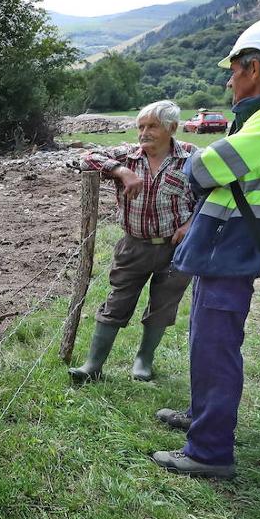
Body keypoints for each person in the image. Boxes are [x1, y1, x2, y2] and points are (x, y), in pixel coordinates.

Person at [152, 15, 260, 479]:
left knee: (217, 346)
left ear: (252, 66)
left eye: (233, 70)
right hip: (226, 243)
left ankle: (209, 451)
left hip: (234, 244)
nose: (229, 80)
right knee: (204, 338)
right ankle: (201, 416)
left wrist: (200, 162)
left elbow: (206, 169)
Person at [70, 100, 196, 383]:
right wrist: (122, 172)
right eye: (141, 126)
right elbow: (86, 157)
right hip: (133, 246)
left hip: (176, 248)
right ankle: (93, 366)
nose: (144, 132)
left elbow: (211, 196)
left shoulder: (191, 157)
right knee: (117, 301)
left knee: (163, 305)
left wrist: (191, 224)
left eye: (152, 126)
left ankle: (144, 360)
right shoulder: (127, 156)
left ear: (171, 128)